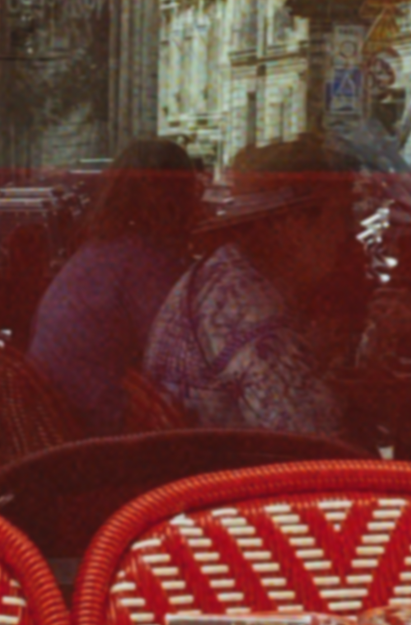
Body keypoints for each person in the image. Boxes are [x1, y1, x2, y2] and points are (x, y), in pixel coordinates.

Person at [143, 133, 363, 437]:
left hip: (217, 474)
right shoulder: (252, 312)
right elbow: (320, 450)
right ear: (291, 225)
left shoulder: (230, 276)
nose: (349, 234)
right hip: (237, 480)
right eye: (341, 216)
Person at [26, 139, 203, 434]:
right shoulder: (147, 262)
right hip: (98, 436)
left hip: (61, 427)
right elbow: (186, 357)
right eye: (190, 189)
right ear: (177, 197)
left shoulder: (101, 251)